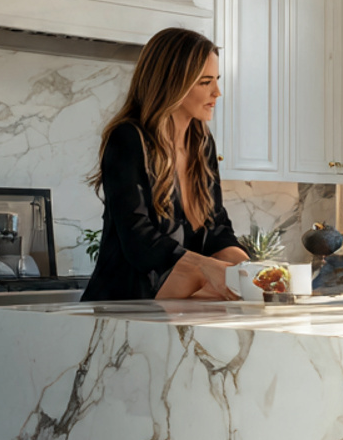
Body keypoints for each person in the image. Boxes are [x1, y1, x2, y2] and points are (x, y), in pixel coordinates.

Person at [82, 28, 248, 301]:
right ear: (173, 83)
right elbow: (138, 239)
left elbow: (217, 228)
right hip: (124, 306)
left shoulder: (202, 142)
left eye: (216, 80)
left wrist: (248, 269)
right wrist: (206, 267)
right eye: (205, 82)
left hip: (175, 306)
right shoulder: (128, 138)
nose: (217, 92)